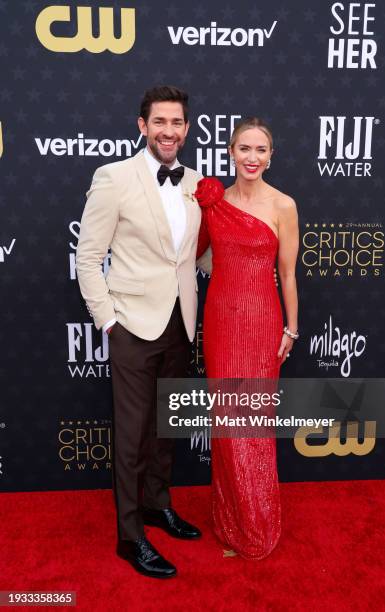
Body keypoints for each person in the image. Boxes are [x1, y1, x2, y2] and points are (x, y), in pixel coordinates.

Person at [76, 86, 209, 579]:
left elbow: (196, 255)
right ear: (142, 125)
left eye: (177, 123)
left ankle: (158, 506)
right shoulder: (113, 177)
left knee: (165, 429)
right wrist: (108, 320)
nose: (169, 131)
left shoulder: (196, 183)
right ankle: (130, 537)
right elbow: (88, 258)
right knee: (131, 436)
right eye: (160, 122)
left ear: (187, 128)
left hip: (181, 322)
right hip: (131, 323)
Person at [195, 117, 299, 560]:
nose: (252, 157)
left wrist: (291, 328)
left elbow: (288, 273)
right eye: (244, 149)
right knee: (227, 421)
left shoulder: (283, 205)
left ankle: (257, 523)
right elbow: (197, 256)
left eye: (261, 150)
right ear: (230, 153)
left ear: (271, 156)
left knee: (251, 423)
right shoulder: (214, 203)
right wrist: (226, 274)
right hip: (221, 318)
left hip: (262, 322)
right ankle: (229, 519)